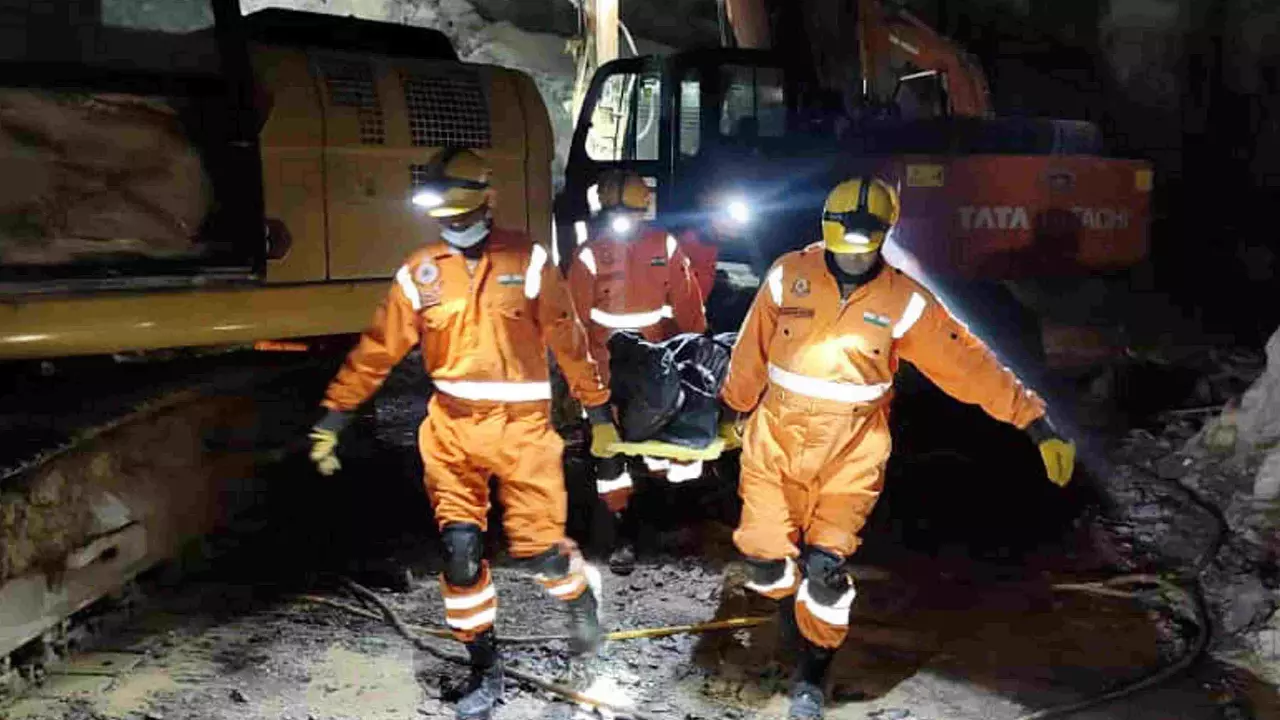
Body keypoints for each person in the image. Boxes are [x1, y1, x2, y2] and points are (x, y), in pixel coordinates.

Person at [719, 176, 1077, 719]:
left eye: (866, 251)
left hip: (852, 452)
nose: (854, 261)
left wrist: (1035, 422)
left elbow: (968, 364)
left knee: (824, 571)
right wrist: (733, 408)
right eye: (845, 249)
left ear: (885, 237)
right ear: (826, 232)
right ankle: (785, 605)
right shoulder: (787, 276)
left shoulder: (904, 301)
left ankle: (812, 676)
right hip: (776, 442)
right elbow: (752, 347)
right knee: (767, 563)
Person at [307, 148, 622, 720]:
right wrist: (333, 418)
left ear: (486, 199)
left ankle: (579, 600)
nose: (451, 223)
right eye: (442, 213)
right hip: (451, 428)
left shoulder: (526, 259)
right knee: (458, 552)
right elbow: (377, 351)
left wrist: (598, 415)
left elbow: (567, 337)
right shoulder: (420, 271)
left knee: (539, 553)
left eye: (459, 210)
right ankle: (485, 666)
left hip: (523, 431)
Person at [566, 169, 708, 575]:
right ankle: (619, 534)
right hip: (605, 376)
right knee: (609, 462)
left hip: (656, 374)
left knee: (666, 453)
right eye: (617, 213)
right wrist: (584, 389)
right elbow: (572, 327)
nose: (624, 220)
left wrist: (697, 357)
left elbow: (689, 308)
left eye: (632, 212)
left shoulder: (664, 245)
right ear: (604, 212)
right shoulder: (590, 256)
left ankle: (666, 526)